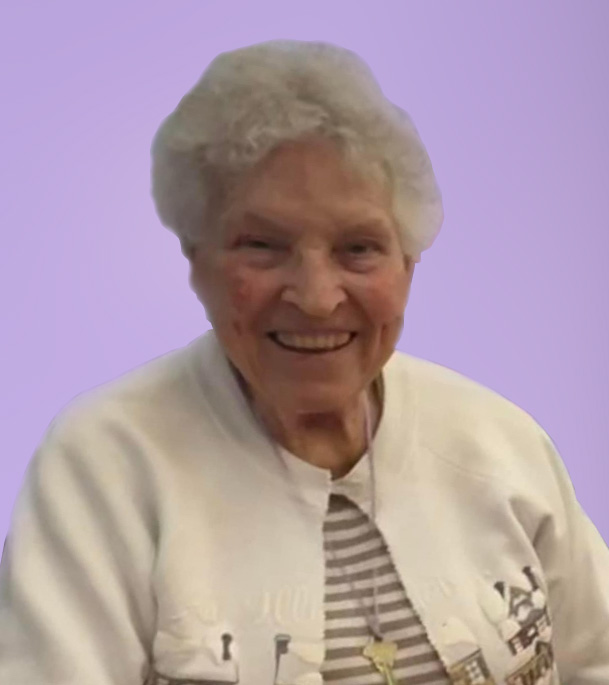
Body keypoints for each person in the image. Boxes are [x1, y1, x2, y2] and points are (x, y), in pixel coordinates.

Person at [1, 39, 608, 685]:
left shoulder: (496, 439)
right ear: (195, 259)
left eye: (358, 248)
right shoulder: (104, 464)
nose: (316, 298)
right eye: (262, 245)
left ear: (408, 265)